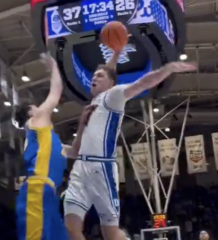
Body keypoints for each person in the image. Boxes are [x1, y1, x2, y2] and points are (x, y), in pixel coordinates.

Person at [62, 48, 197, 240]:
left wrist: (167, 69)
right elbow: (74, 151)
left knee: (110, 235)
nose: (94, 77)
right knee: (70, 227)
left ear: (110, 83)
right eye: (93, 75)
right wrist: (48, 147)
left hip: (101, 168)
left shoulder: (113, 95)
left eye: (99, 76)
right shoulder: (90, 108)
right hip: (80, 168)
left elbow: (142, 83)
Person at [14, 53, 96, 240]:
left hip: (49, 193)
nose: (41, 109)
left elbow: (74, 152)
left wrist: (82, 124)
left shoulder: (50, 141)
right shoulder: (35, 121)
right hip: (36, 189)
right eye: (36, 107)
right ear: (30, 112)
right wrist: (54, 67)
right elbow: (55, 92)